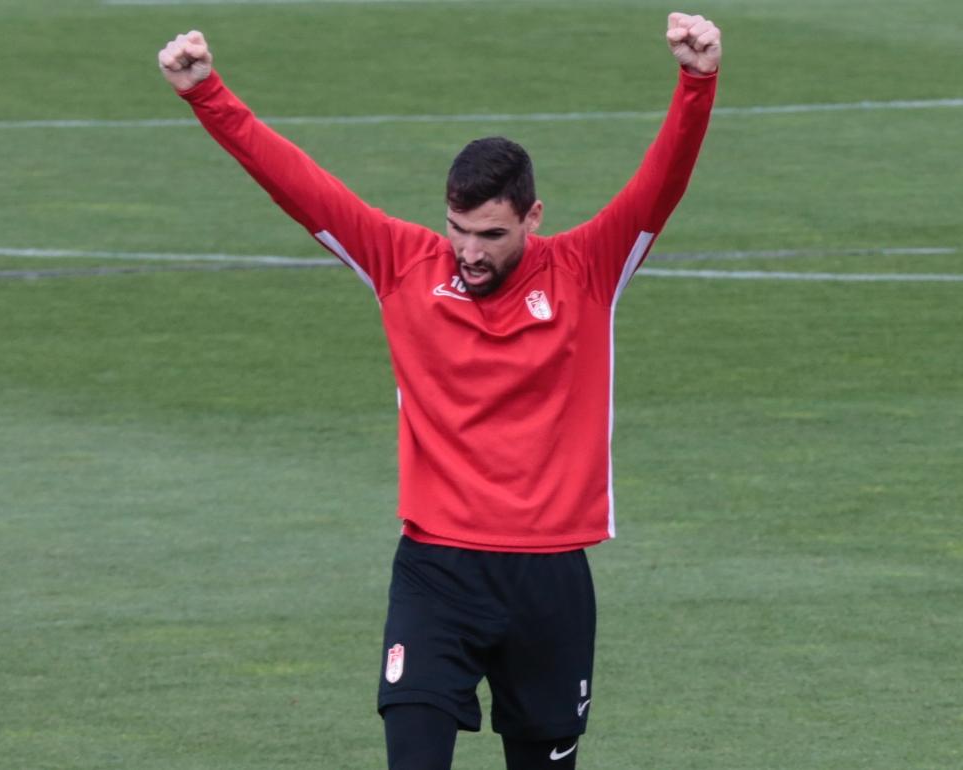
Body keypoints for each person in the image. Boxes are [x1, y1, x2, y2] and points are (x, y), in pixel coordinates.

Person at [159, 12, 720, 769]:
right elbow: (300, 187)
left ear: (532, 217)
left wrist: (696, 82)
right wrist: (205, 92)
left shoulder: (589, 270)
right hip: (436, 571)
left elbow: (661, 186)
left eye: (491, 234)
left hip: (548, 578)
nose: (468, 252)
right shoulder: (402, 264)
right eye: (458, 228)